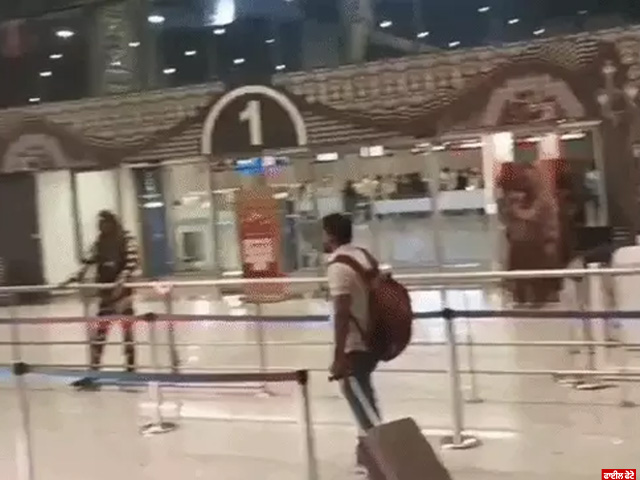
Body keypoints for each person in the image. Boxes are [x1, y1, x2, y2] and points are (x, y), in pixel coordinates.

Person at [322, 213, 380, 470]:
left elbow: (342, 313)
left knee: (357, 395)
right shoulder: (363, 255)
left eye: (323, 233)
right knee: (363, 392)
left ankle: (376, 455)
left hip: (356, 341)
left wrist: (338, 356)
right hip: (375, 334)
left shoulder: (338, 266)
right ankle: (367, 451)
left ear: (330, 235)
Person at [66, 210, 139, 391]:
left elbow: (132, 261)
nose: (102, 227)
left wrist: (122, 277)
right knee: (100, 335)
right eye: (100, 224)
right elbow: (89, 262)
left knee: (127, 335)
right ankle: (94, 373)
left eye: (104, 223)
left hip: (123, 295)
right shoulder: (100, 242)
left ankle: (131, 371)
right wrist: (73, 277)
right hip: (106, 295)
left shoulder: (126, 239)